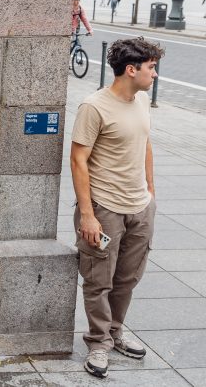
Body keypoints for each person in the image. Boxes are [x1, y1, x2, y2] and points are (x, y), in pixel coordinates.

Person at [70, 37, 164, 378]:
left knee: (128, 278)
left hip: (139, 207)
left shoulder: (140, 102)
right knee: (99, 281)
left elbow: (145, 144)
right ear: (131, 69)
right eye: (151, 68)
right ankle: (98, 342)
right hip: (105, 208)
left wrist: (150, 190)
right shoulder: (94, 107)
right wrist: (88, 215)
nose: (154, 75)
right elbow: (78, 160)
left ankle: (115, 332)